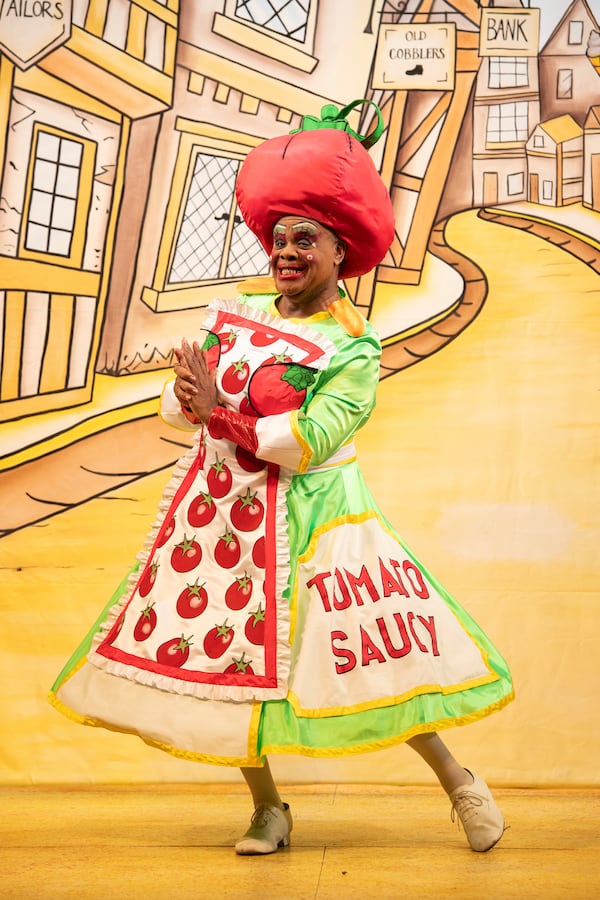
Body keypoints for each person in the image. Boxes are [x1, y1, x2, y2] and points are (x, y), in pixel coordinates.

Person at [50, 103, 514, 856]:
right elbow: (180, 412)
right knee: (225, 660)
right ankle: (268, 807)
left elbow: (307, 442)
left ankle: (459, 782)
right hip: (225, 521)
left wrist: (217, 417)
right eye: (279, 239)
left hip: (319, 524)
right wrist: (188, 399)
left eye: (306, 239)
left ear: (340, 251)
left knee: (368, 662)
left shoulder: (353, 352)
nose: (286, 251)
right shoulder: (231, 320)